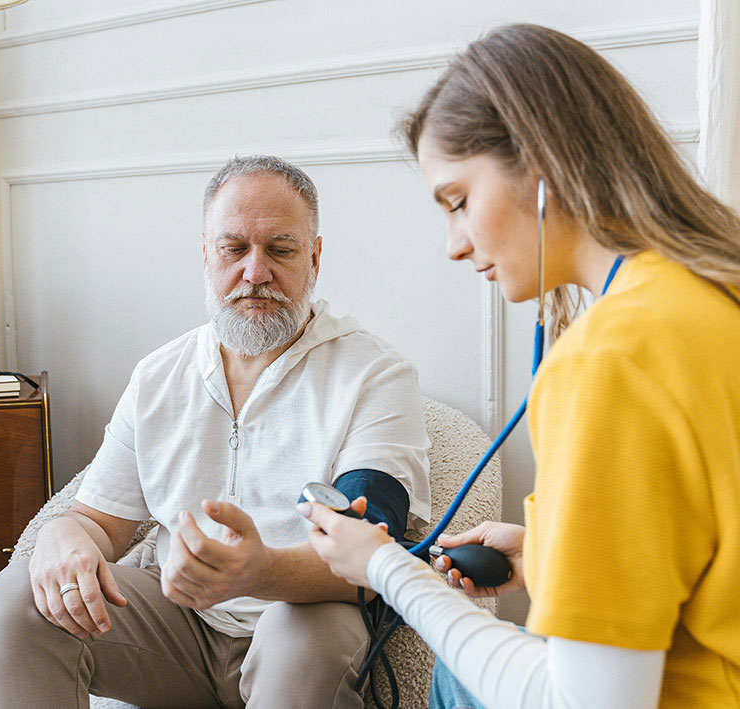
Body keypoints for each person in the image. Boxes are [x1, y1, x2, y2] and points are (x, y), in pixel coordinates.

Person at [299, 24, 740, 709]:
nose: (452, 244)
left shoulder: (611, 359)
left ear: (541, 165)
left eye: (458, 201)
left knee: (458, 673)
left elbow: (590, 702)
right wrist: (552, 553)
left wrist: (386, 568)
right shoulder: (711, 297)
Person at [0, 155, 431, 709]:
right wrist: (62, 536)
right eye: (234, 248)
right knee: (14, 599)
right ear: (206, 256)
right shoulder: (159, 375)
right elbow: (99, 519)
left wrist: (259, 572)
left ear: (314, 257)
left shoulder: (375, 375)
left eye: (280, 250)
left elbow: (372, 550)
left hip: (297, 620)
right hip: (179, 626)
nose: (255, 272)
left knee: (301, 641)